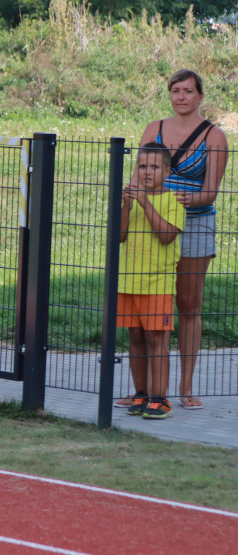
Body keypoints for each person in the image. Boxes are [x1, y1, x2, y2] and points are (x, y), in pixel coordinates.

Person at [126, 69, 229, 410]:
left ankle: (185, 388)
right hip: (152, 224)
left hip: (195, 223)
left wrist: (186, 200)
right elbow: (139, 176)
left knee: (189, 307)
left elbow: (210, 193)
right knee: (146, 310)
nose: (181, 96)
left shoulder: (215, 137)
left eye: (188, 90)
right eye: (175, 90)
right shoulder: (152, 129)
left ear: (200, 96)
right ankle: (145, 390)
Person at [118, 142, 186, 419]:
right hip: (128, 282)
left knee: (157, 340)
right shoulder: (132, 200)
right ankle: (141, 394)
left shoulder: (174, 201)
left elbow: (166, 236)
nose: (147, 172)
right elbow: (120, 236)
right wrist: (125, 206)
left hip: (157, 284)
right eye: (142, 166)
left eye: (154, 167)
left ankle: (160, 398)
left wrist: (145, 203)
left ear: (167, 171)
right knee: (135, 338)